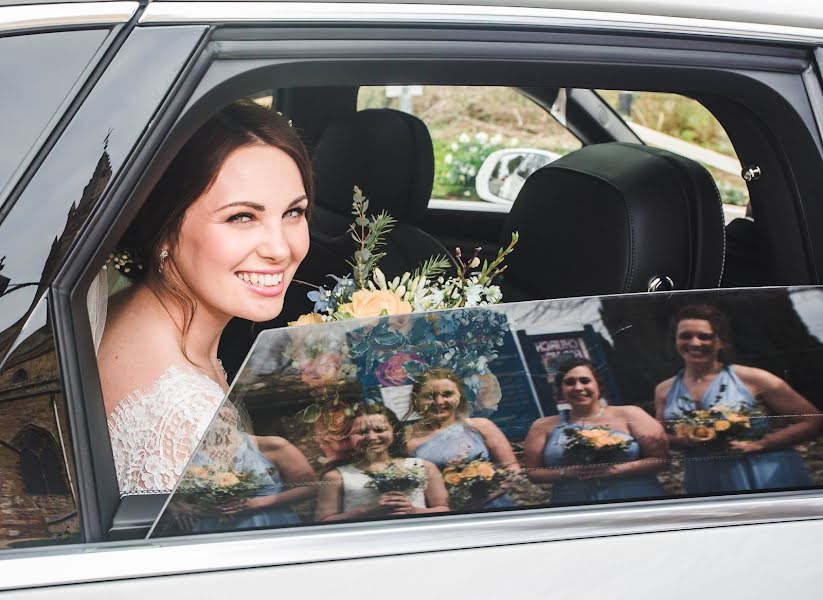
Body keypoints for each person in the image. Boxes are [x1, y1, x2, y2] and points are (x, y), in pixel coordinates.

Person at [99, 101, 313, 496]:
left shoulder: (124, 313)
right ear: (164, 229)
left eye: (294, 212)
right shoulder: (185, 418)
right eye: (242, 217)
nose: (280, 249)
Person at [655, 304, 821, 494]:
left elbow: (812, 420)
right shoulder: (664, 390)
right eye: (685, 336)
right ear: (675, 340)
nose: (694, 343)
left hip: (762, 471)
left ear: (721, 342)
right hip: (705, 476)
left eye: (705, 336)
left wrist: (760, 444)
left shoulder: (754, 378)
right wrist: (686, 441)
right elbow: (661, 436)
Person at [524, 358, 668, 504]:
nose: (578, 387)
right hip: (574, 502)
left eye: (585, 381)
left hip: (634, 498)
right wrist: (566, 473)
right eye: (569, 382)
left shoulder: (631, 414)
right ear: (561, 389)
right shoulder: (542, 426)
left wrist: (618, 469)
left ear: (599, 385)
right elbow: (533, 472)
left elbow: (662, 460)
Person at [404, 368, 520, 509]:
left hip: (496, 507)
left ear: (460, 396)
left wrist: (488, 494)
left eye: (447, 394)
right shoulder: (407, 440)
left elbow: (511, 467)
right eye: (429, 396)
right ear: (416, 399)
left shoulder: (482, 427)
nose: (439, 402)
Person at [315, 407, 449, 521]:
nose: (372, 437)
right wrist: (366, 511)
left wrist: (414, 511)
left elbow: (445, 509)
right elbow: (323, 521)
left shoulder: (424, 467)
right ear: (348, 437)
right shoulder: (336, 476)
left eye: (379, 430)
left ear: (394, 431)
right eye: (362, 432)